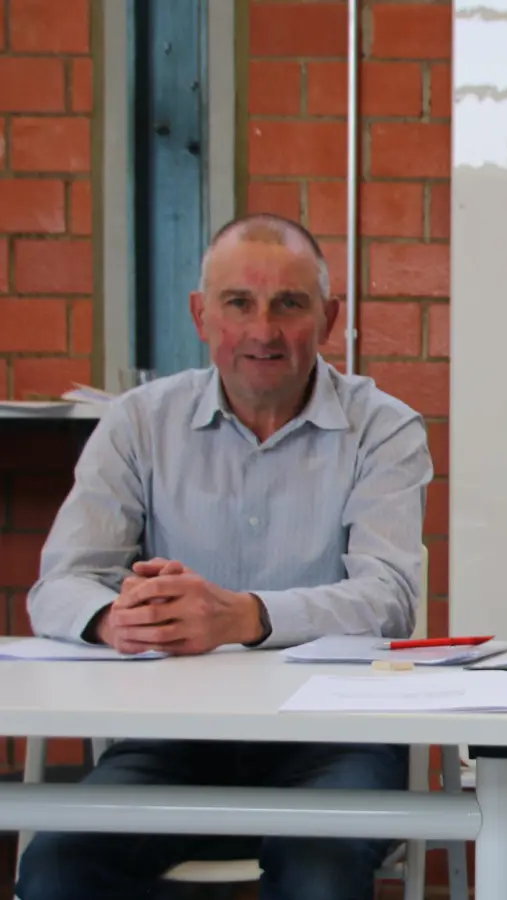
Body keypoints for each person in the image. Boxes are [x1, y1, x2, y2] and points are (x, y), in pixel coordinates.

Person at [18, 213, 432, 900]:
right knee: (57, 868)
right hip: (170, 738)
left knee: (319, 876)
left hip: (335, 738)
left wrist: (244, 616)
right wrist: (114, 620)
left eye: (289, 305)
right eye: (238, 303)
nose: (263, 331)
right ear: (201, 315)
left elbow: (388, 597)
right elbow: (59, 584)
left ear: (329, 319)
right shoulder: (139, 422)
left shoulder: (383, 428)